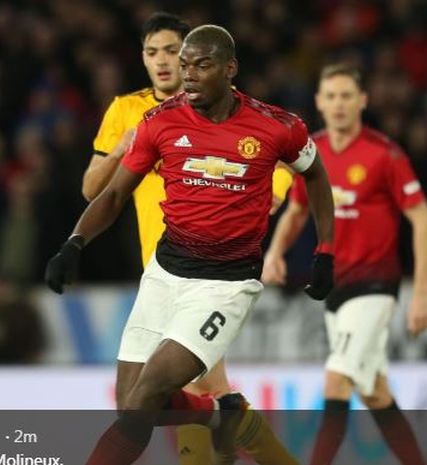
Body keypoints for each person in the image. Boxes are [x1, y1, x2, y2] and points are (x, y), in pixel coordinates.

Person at [46, 25, 335, 465]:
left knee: (146, 399)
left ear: (230, 68)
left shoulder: (276, 126)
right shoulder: (160, 121)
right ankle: (224, 415)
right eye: (185, 66)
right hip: (163, 274)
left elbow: (315, 174)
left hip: (224, 285)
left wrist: (325, 249)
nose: (190, 75)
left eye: (202, 65)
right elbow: (114, 194)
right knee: (131, 405)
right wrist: (74, 243)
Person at [262, 63, 427, 465]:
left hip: (375, 286)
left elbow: (423, 218)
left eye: (346, 96)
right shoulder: (313, 153)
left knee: (337, 381)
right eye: (332, 96)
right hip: (335, 287)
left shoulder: (385, 154)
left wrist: (422, 293)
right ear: (319, 103)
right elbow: (297, 211)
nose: (339, 104)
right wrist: (274, 253)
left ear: (362, 102)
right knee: (375, 391)